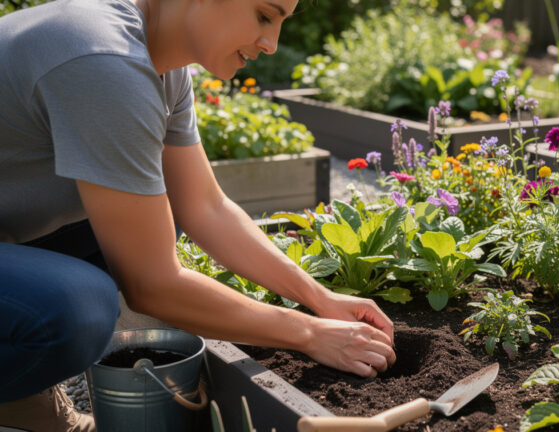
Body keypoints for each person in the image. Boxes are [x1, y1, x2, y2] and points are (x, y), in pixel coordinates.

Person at [0, 0, 397, 430]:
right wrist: (308, 334)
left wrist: (320, 299)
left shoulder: (161, 66)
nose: (272, 44)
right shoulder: (106, 60)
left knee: (138, 223)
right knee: (77, 306)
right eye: (265, 15)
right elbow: (151, 286)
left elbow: (207, 208)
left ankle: (15, 400)